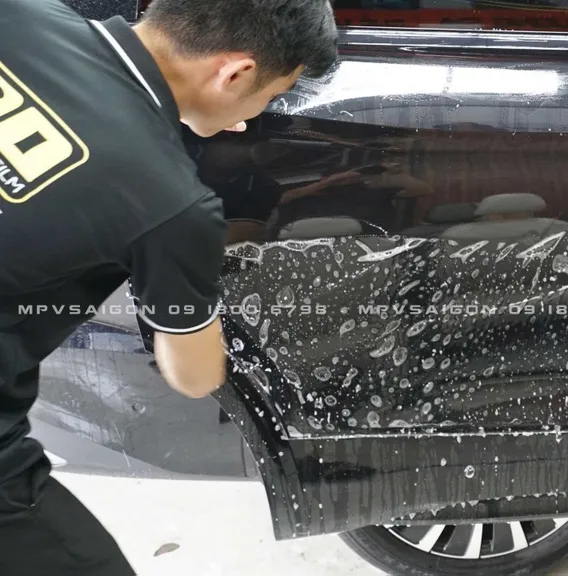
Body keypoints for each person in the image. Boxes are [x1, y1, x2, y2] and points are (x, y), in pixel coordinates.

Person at [0, 0, 338, 573]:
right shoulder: (171, 204)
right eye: (271, 96)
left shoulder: (22, 14)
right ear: (235, 73)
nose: (255, 117)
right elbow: (193, 375)